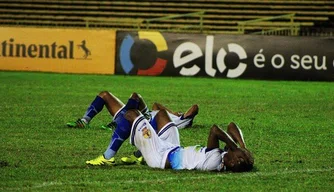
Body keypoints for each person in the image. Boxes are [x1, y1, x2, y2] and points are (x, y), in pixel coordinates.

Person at [68, 91, 198, 165]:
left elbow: (195, 107)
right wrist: (174, 112)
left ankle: (108, 156)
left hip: (147, 122)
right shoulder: (169, 116)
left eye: (185, 112)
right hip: (147, 116)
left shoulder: (182, 121)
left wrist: (182, 115)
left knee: (133, 104)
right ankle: (85, 120)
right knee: (105, 94)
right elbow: (156, 105)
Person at [122, 108, 254, 172]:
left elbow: (214, 130)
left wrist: (236, 148)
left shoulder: (214, 161)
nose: (241, 152)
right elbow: (232, 126)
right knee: (162, 113)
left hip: (160, 157)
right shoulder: (227, 156)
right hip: (172, 148)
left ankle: (110, 153)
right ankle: (144, 140)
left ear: (232, 163)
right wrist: (243, 146)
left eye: (241, 156)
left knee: (132, 114)